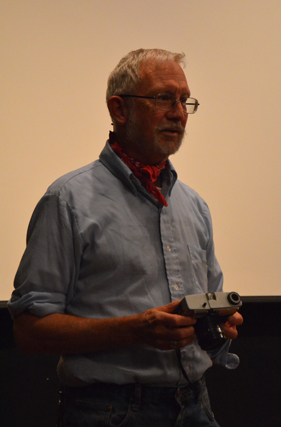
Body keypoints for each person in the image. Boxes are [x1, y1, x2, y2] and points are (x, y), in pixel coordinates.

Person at [8, 48, 243, 427]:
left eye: (185, 100)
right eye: (163, 98)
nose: (179, 112)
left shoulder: (194, 205)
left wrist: (220, 326)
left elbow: (209, 306)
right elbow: (30, 331)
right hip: (109, 411)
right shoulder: (67, 200)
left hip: (197, 404)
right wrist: (135, 329)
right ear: (119, 109)